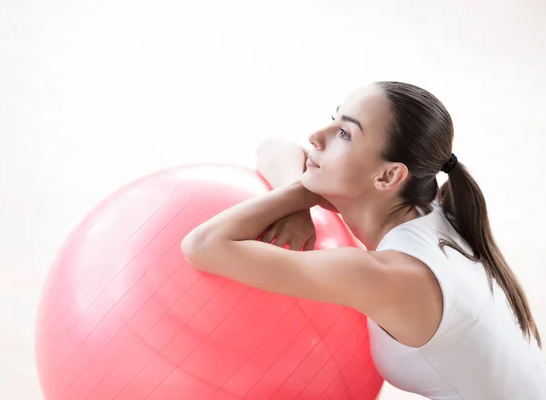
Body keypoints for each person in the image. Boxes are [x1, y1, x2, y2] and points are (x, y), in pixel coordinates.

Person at [180, 81, 546, 399]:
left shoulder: (390, 274)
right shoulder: (427, 208)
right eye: (335, 117)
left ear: (388, 176)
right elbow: (274, 147)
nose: (316, 136)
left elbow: (202, 246)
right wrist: (304, 197)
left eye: (345, 134)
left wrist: (301, 195)